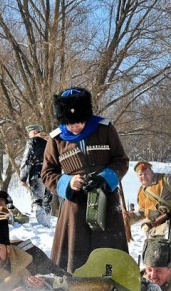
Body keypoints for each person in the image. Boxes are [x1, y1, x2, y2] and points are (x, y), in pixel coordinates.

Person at [42, 87, 129, 273]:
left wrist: (105, 178)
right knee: (73, 258)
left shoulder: (105, 128)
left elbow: (121, 161)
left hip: (106, 201)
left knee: (108, 253)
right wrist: (68, 182)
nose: (77, 127)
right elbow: (47, 173)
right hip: (74, 207)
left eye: (81, 121)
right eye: (72, 123)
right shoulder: (55, 140)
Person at [126, 161, 171, 243]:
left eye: (146, 173)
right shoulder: (142, 191)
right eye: (140, 174)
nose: (143, 176)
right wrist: (131, 217)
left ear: (152, 172)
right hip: (154, 225)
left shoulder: (165, 179)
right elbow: (142, 211)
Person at [20, 124, 53, 227]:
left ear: (34, 132)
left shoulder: (32, 141)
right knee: (47, 201)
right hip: (50, 175)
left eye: (29, 133)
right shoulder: (50, 142)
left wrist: (23, 177)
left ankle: (41, 227)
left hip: (37, 173)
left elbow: (27, 158)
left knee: (37, 201)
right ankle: (47, 225)